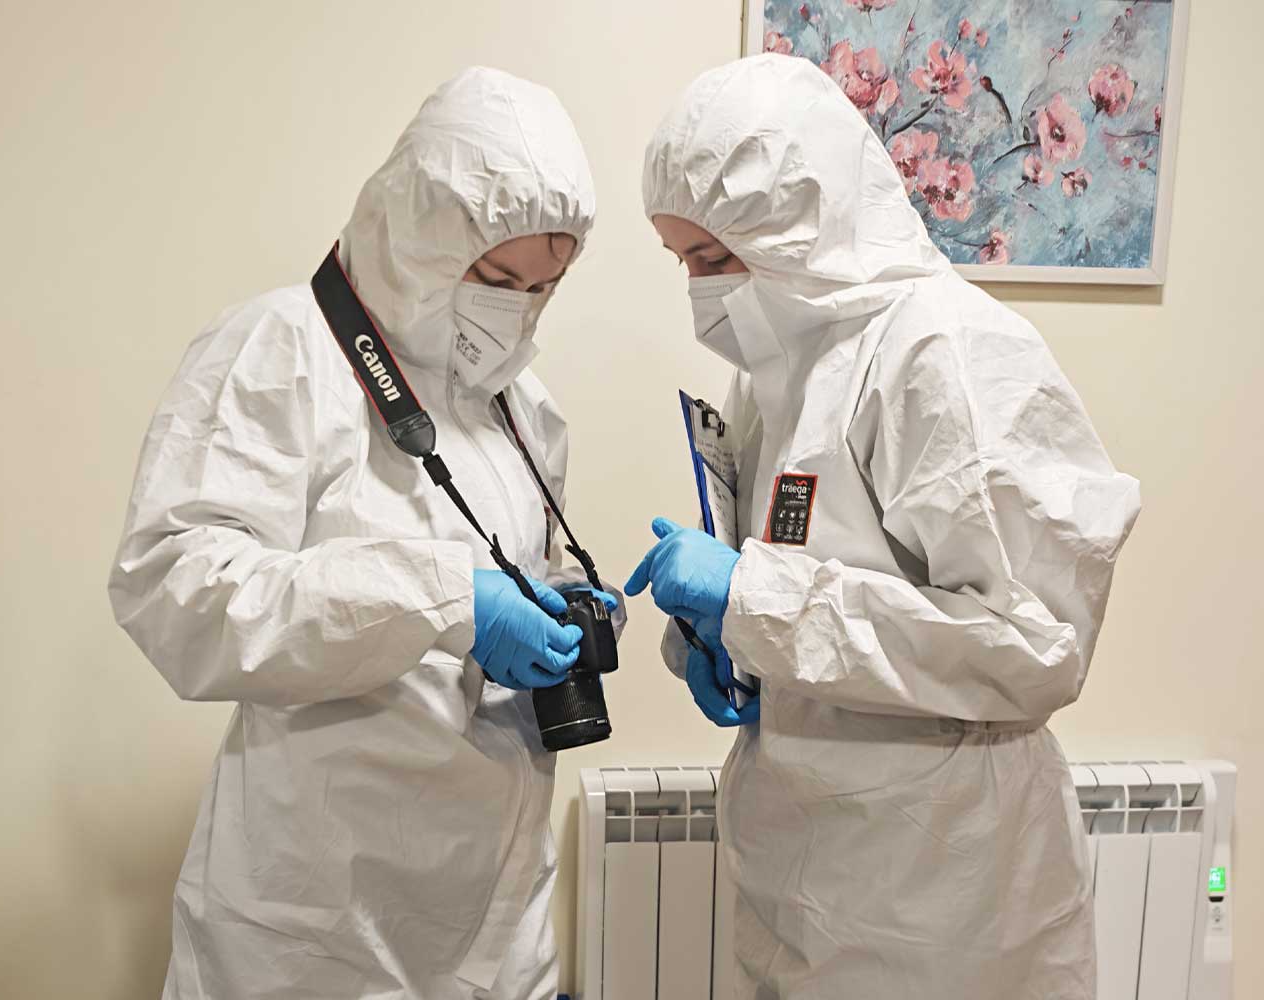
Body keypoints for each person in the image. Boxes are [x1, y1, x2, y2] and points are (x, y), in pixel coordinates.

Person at [625, 55, 1140, 999]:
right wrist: (717, 632)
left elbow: (1032, 646)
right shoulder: (777, 370)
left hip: (944, 898)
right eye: (682, 262)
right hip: (802, 875)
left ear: (796, 223)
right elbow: (810, 582)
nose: (698, 289)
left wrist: (750, 597)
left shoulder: (950, 351)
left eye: (712, 259)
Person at [109, 67, 619, 1000]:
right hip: (317, 923)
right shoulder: (280, 350)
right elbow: (179, 590)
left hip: (495, 915)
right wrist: (443, 600)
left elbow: (510, 583)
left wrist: (554, 608)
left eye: (543, 287)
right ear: (421, 236)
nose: (516, 311)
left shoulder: (520, 408)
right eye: (497, 279)